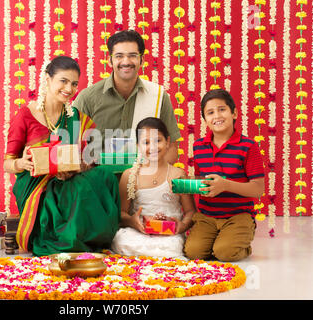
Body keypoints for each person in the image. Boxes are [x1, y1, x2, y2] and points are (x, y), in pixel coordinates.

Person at [3, 56, 120, 256]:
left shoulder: (76, 116)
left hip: (69, 178)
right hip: (36, 184)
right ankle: (70, 241)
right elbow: (8, 163)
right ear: (47, 79)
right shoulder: (25, 116)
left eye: (74, 84)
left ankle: (96, 238)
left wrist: (79, 167)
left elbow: (92, 158)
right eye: (63, 81)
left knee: (104, 176)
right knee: (79, 188)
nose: (69, 89)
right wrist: (22, 163)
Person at [73, 30, 180, 164]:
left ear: (142, 60)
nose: (126, 61)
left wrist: (153, 178)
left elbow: (172, 149)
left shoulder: (158, 96)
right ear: (110, 61)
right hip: (98, 181)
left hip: (142, 181)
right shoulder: (88, 98)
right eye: (119, 56)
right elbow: (69, 145)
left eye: (132, 55)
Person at [184, 89, 265, 262]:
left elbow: (258, 189)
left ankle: (241, 244)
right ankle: (221, 239)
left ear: (234, 113)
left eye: (222, 109)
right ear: (205, 119)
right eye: (210, 112)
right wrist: (185, 184)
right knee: (193, 252)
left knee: (224, 253)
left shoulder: (248, 146)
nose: (217, 116)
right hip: (208, 216)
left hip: (238, 216)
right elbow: (201, 181)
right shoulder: (199, 146)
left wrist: (225, 185)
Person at [111, 117, 196, 258]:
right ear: (138, 146)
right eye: (146, 142)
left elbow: (191, 211)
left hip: (169, 235)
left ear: (168, 142)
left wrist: (183, 225)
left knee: (172, 247)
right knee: (121, 240)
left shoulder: (178, 174)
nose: (153, 147)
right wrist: (133, 221)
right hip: (139, 233)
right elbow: (121, 213)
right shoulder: (130, 175)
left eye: (158, 140)